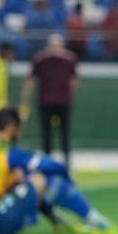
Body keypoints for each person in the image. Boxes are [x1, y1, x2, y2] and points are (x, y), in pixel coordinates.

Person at [0, 107, 118, 234]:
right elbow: (53, 165)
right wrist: (67, 179)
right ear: (10, 128)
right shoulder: (6, 152)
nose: (20, 133)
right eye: (19, 128)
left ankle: (60, 225)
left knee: (22, 180)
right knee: (42, 179)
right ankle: (100, 224)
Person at [20, 33, 78, 168]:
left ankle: (64, 159)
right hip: (49, 101)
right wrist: (25, 99)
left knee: (62, 132)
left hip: (58, 101)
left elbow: (73, 80)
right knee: (49, 133)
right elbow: (31, 80)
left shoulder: (67, 59)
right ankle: (50, 159)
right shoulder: (42, 59)